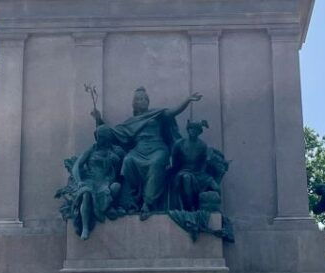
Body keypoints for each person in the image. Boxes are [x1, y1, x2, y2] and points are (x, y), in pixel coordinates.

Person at [92, 87, 202, 220]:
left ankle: (148, 203)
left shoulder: (157, 114)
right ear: (134, 103)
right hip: (139, 150)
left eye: (144, 98)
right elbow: (114, 134)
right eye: (139, 99)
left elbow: (173, 112)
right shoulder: (131, 122)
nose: (142, 101)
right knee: (128, 161)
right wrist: (99, 120)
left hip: (158, 148)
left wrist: (187, 100)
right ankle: (132, 200)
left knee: (155, 164)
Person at [70, 125, 125, 239]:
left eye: (102, 137)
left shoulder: (116, 151)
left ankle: (107, 207)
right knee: (86, 193)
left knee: (116, 187)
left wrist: (117, 161)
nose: (99, 140)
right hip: (90, 180)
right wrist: (79, 181)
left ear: (107, 138)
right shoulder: (91, 149)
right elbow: (76, 166)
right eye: (98, 137)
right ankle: (85, 227)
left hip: (106, 181)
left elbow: (123, 172)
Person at [169, 119, 220, 211]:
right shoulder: (179, 144)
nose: (193, 131)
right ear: (188, 130)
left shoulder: (202, 145)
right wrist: (171, 169)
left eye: (196, 130)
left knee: (216, 187)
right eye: (191, 129)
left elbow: (205, 162)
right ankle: (189, 208)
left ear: (199, 132)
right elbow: (173, 161)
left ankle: (212, 209)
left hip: (200, 173)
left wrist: (209, 165)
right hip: (184, 171)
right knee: (186, 179)